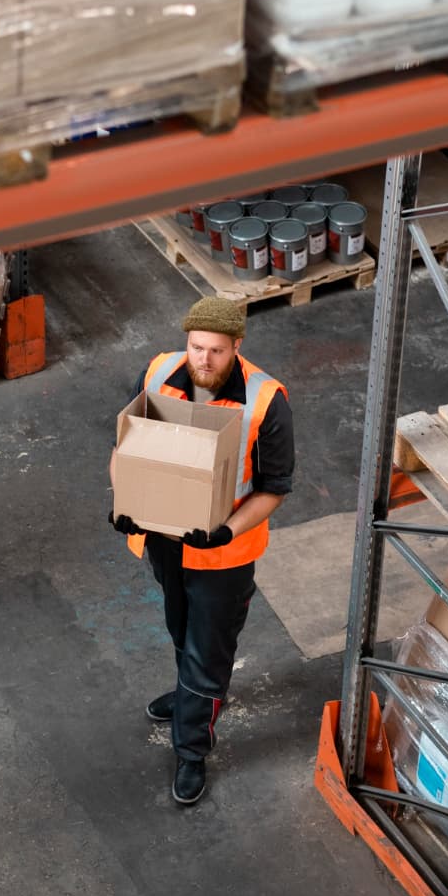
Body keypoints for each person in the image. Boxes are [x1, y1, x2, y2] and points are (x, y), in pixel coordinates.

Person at [110, 297, 294, 806]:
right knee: (181, 628)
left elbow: (274, 488)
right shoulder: (160, 370)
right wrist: (125, 501)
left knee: (207, 652)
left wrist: (227, 531)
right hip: (165, 543)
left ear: (237, 346)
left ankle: (191, 751)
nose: (203, 361)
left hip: (223, 556)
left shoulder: (265, 399)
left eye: (216, 350)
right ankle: (194, 695)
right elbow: (123, 445)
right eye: (196, 347)